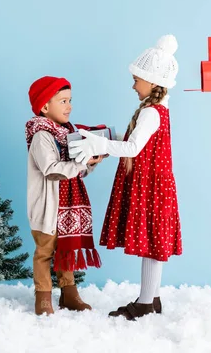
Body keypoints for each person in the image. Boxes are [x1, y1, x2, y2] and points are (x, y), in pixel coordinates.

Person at [69, 35, 182, 320]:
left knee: (152, 244)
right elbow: (137, 143)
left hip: (150, 185)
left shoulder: (152, 113)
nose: (133, 85)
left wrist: (100, 145)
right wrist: (106, 137)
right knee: (153, 244)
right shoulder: (157, 110)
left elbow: (133, 148)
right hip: (155, 184)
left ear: (153, 81)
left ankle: (146, 302)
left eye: (137, 80)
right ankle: (150, 298)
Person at [25, 75, 102, 316]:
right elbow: (51, 169)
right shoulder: (42, 136)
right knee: (45, 252)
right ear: (45, 107)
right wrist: (81, 163)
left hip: (67, 207)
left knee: (65, 251)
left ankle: (69, 294)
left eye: (70, 100)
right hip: (48, 207)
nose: (69, 107)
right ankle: (44, 297)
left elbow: (77, 173)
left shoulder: (68, 134)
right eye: (63, 101)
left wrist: (91, 162)